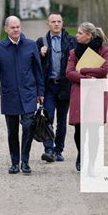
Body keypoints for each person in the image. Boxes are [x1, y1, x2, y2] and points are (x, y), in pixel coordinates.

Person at [0, 16, 44, 174]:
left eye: (18, 27)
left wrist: (40, 92)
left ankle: (25, 161)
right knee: (12, 131)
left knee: (28, 126)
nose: (16, 30)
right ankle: (14, 162)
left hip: (28, 93)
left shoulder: (31, 45)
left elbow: (38, 71)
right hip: (10, 94)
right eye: (12, 27)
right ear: (6, 29)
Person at [66, 22, 108, 172]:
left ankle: (91, 163)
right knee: (79, 130)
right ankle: (81, 155)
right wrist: (87, 78)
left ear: (89, 35)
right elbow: (70, 72)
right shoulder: (73, 52)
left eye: (79, 33)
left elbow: (104, 70)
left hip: (96, 94)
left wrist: (83, 69)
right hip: (79, 93)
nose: (76, 35)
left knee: (93, 130)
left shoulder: (103, 50)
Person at [36, 13, 76, 162]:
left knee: (62, 120)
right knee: (47, 118)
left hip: (65, 86)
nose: (56, 24)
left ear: (62, 23)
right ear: (48, 24)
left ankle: (59, 149)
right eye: (53, 22)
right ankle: (48, 149)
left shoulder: (71, 41)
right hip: (49, 87)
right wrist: (40, 54)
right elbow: (35, 65)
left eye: (59, 21)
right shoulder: (41, 42)